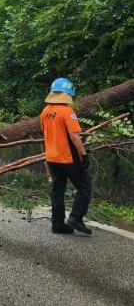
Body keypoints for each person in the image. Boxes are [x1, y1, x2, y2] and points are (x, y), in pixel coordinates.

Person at [40, 78, 92, 235]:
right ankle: (76, 218)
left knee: (58, 190)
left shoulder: (45, 112)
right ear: (67, 94)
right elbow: (74, 136)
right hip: (67, 157)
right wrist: (83, 154)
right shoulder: (68, 112)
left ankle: (57, 224)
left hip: (51, 157)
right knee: (84, 186)